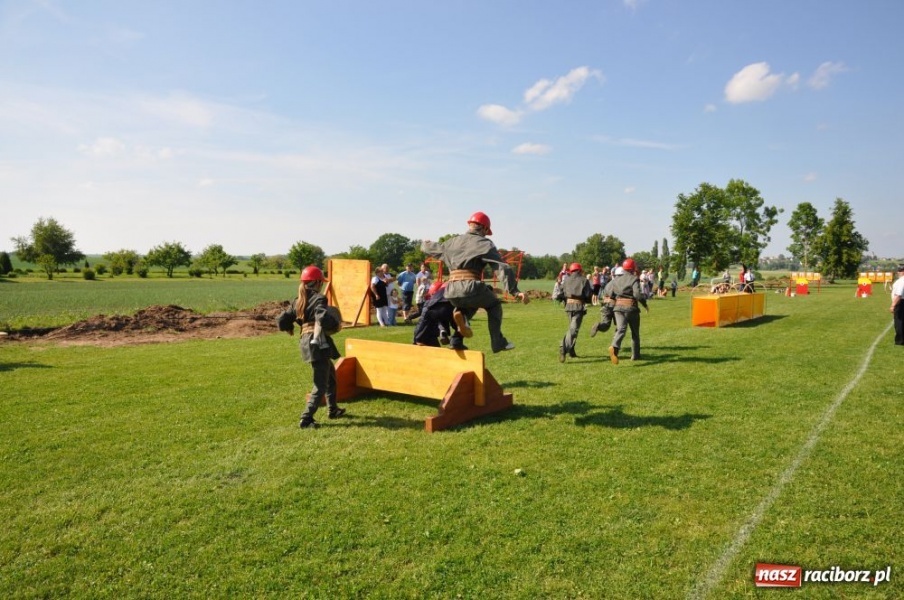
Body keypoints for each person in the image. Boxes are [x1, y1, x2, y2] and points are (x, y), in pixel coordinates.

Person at [421, 211, 529, 353]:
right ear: (484, 228)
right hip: (470, 286)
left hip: (451, 290)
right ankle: (498, 342)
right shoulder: (484, 243)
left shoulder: (452, 242)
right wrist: (515, 291)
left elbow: (427, 247)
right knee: (494, 305)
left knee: (468, 305)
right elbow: (502, 267)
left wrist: (424, 243)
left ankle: (456, 339)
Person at [281, 266, 347, 429]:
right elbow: (322, 318)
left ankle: (333, 409)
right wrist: (336, 324)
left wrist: (289, 326)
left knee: (330, 374)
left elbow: (282, 319)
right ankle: (306, 418)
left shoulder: (297, 300)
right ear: (317, 282)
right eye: (321, 282)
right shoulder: (319, 298)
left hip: (306, 341)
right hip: (317, 343)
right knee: (320, 384)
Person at [608, 258, 649, 364]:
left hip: (617, 308)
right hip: (631, 308)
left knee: (621, 329)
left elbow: (609, 293)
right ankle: (635, 355)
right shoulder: (634, 279)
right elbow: (637, 294)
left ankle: (614, 347)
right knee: (635, 333)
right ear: (632, 268)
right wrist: (645, 304)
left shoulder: (616, 279)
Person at [556, 262, 593, 362]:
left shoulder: (566, 280)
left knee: (573, 329)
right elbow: (588, 295)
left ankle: (571, 351)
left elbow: (560, 293)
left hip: (568, 307)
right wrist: (587, 301)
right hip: (578, 306)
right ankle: (563, 348)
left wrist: (565, 300)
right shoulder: (584, 280)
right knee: (573, 329)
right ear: (580, 270)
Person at [413, 280, 459, 347]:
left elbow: (423, 322)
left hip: (429, 331)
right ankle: (444, 333)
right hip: (428, 333)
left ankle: (443, 333)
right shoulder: (449, 289)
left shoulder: (433, 300)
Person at [891, 265, 904, 345]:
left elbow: (899, 295)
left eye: (900, 270)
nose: (898, 272)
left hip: (900, 303)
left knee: (899, 322)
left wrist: (893, 305)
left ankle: (900, 340)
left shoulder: (901, 281)